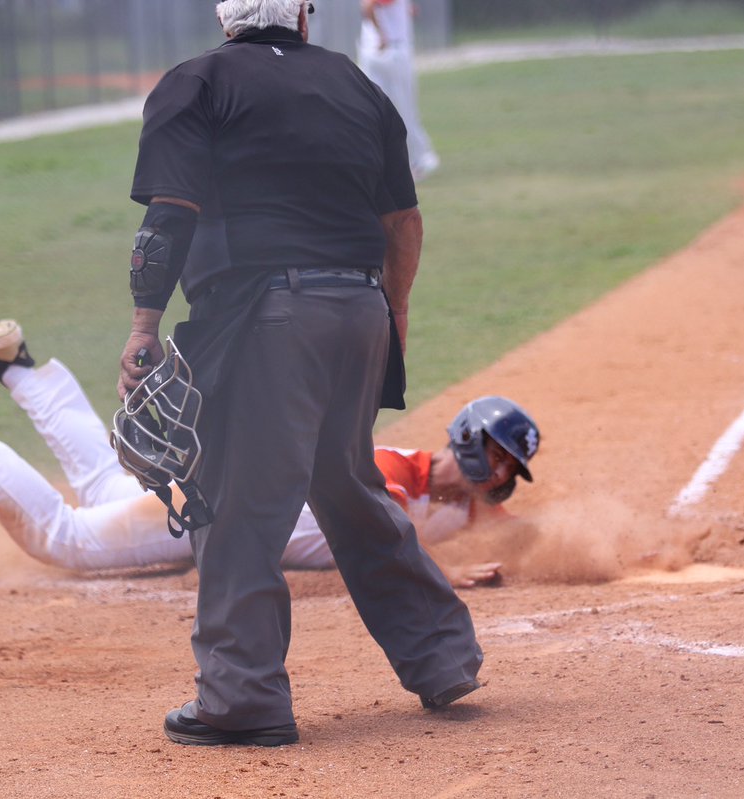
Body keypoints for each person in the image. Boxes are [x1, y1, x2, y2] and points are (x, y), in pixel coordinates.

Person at [116, 0, 487, 747]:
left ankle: (242, 697)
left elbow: (170, 215)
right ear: (304, 17)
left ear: (227, 18)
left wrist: (143, 325)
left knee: (238, 502)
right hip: (360, 310)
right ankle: (442, 655)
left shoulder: (196, 82)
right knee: (348, 485)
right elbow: (403, 221)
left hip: (267, 318)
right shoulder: (353, 83)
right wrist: (394, 314)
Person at [0, 320, 537, 588]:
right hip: (209, 505)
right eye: (499, 455)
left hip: (210, 493)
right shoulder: (390, 473)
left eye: (510, 468)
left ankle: (17, 367)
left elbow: (509, 532)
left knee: (100, 483)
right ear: (467, 438)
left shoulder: (449, 503)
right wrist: (450, 577)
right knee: (65, 539)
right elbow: (380, 550)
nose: (501, 473)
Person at [358, 0, 440, 181]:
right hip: (391, 51)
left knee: (376, 110)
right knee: (404, 109)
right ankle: (417, 160)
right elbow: (369, 6)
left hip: (373, 52)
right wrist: (382, 35)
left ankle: (383, 164)